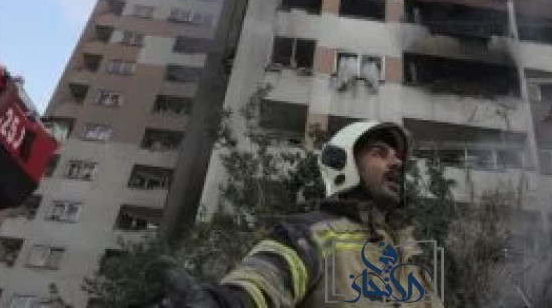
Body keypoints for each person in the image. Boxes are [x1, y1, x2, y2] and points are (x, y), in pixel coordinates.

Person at [162, 121, 443, 308]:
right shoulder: (312, 235)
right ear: (345, 165)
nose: (397, 162)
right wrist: (225, 302)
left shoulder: (416, 267)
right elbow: (264, 280)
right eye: (380, 153)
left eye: (398, 157)